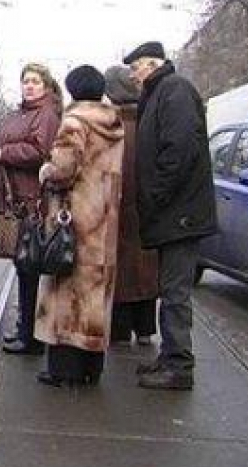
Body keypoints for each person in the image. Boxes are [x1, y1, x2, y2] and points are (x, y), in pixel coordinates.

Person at [126, 41, 216, 391]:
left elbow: (178, 150)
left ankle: (179, 364)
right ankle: (171, 357)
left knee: (175, 292)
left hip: (180, 213)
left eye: (136, 67)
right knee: (170, 289)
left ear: (152, 64)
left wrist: (154, 196)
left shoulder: (173, 90)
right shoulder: (162, 91)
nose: (133, 75)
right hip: (176, 211)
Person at [33, 65, 124, 386]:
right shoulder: (114, 124)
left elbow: (62, 168)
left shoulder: (74, 122)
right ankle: (91, 367)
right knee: (96, 295)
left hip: (75, 221)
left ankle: (64, 369)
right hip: (104, 221)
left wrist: (44, 171)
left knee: (67, 290)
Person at [0, 62, 62, 354]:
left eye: (35, 82)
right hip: (11, 196)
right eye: (26, 81)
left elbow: (42, 152)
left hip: (32, 201)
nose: (29, 86)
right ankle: (25, 328)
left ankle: (31, 335)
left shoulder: (47, 115)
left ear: (46, 86)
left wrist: (7, 152)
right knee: (23, 265)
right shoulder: (18, 114)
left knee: (30, 266)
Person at [104, 65, 158, 346]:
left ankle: (120, 329)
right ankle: (146, 328)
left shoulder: (112, 127)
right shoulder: (150, 120)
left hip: (116, 208)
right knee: (146, 267)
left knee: (121, 271)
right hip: (147, 209)